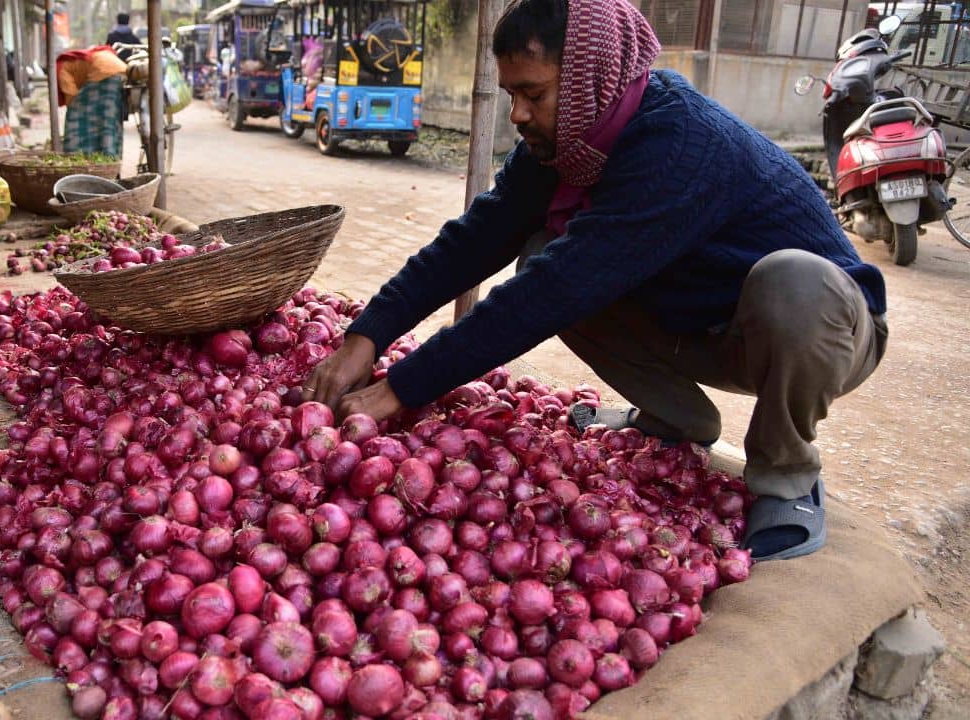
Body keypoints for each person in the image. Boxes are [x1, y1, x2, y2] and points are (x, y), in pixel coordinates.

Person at [303, 0, 888, 563]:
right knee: (545, 251)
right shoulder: (566, 145)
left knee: (792, 281)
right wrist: (368, 337)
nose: (518, 115)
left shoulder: (679, 144)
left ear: (588, 83)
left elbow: (550, 294)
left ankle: (786, 478)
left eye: (534, 94)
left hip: (824, 330)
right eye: (512, 94)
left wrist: (398, 390)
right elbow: (473, 240)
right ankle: (678, 418)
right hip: (703, 325)